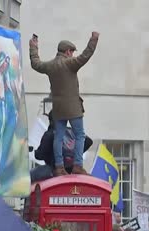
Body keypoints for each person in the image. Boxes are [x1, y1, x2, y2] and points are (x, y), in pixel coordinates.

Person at [29, 31, 99, 176]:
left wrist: (33, 47)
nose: (73, 54)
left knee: (58, 136)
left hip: (58, 109)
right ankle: (77, 165)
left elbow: (35, 64)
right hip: (73, 108)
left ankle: (59, 167)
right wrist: (93, 39)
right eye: (72, 52)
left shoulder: (50, 65)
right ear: (67, 51)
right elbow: (86, 55)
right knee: (80, 135)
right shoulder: (70, 64)